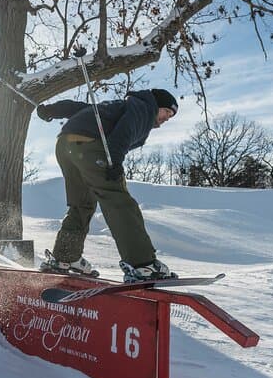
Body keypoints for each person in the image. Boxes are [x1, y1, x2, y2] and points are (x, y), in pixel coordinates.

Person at [36, 88, 179, 282]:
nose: (166, 119)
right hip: (90, 146)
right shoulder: (145, 108)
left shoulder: (118, 106)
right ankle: (143, 263)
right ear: (157, 105)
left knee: (82, 204)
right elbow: (125, 131)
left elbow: (82, 109)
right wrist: (115, 161)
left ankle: (65, 257)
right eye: (167, 112)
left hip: (66, 144)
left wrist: (53, 110)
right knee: (119, 201)